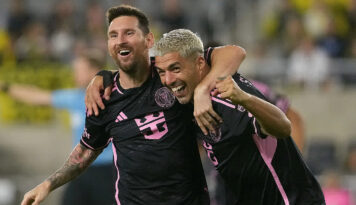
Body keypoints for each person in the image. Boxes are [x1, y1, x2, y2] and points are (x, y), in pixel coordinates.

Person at [21, 5, 246, 205]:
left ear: (149, 40)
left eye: (129, 33)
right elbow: (85, 151)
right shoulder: (104, 97)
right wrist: (47, 184)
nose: (120, 40)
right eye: (113, 35)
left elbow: (234, 53)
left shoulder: (170, 74)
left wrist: (204, 90)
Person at [85, 29, 325, 204]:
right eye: (162, 72)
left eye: (175, 69)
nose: (167, 80)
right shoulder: (183, 97)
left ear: (201, 63)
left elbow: (284, 125)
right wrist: (102, 76)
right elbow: (137, 76)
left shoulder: (228, 96)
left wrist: (245, 99)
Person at [0, 50, 115, 205]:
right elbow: (37, 97)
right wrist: (3, 87)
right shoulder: (76, 97)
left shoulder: (114, 98)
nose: (74, 75)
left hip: (108, 171)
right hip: (80, 170)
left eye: (79, 70)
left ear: (95, 72)